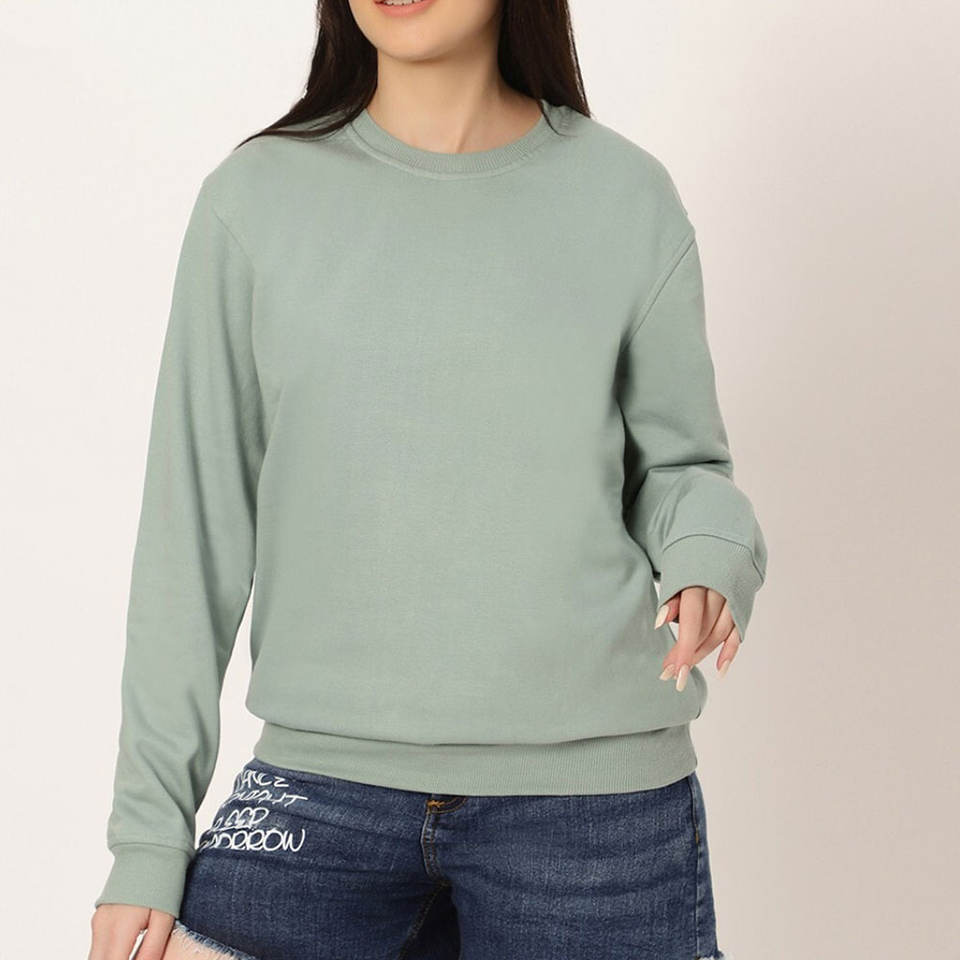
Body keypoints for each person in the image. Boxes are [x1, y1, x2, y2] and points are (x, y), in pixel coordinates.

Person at [89, 0, 767, 957]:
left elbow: (679, 468)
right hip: (318, 791)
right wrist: (148, 839)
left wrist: (708, 550)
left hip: (593, 806)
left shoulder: (624, 196)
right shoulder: (255, 201)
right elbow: (189, 537)